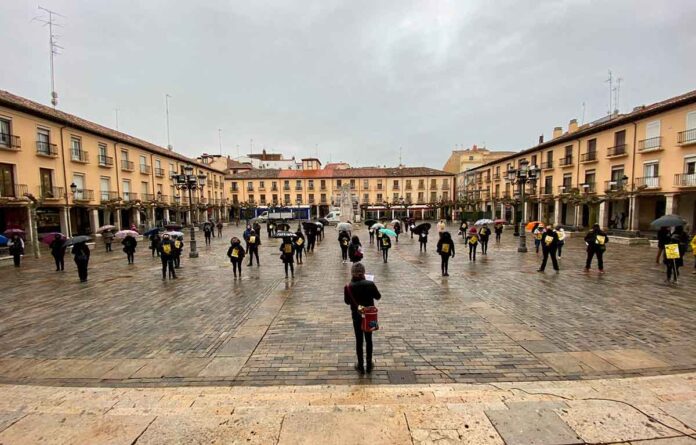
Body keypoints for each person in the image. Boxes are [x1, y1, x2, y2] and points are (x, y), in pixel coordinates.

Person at [344, 262, 381, 374]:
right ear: (363, 272)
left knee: (359, 340)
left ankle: (360, 366)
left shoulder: (349, 286)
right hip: (370, 316)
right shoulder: (370, 283)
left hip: (356, 316)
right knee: (369, 339)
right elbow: (378, 296)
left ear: (352, 273)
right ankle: (369, 364)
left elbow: (347, 302)